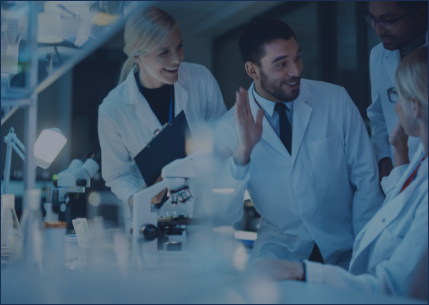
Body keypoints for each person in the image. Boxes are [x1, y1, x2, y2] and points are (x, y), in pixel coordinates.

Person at [205, 18, 384, 269]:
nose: (296, 70)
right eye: (281, 64)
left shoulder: (335, 100)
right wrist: (241, 156)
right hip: (280, 249)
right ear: (253, 70)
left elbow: (366, 180)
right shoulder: (228, 127)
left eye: (297, 57)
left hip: (346, 245)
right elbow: (223, 214)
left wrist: (366, 251)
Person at [255, 46, 428, 299]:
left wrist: (301, 272)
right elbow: (403, 200)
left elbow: (393, 286)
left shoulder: (334, 98)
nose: (393, 107)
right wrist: (400, 152)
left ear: (414, 107)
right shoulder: (421, 157)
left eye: (396, 95)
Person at [98, 7, 226, 230]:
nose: (177, 59)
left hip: (203, 216)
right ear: (137, 56)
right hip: (151, 221)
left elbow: (224, 139)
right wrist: (141, 197)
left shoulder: (201, 79)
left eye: (179, 46)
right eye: (164, 52)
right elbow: (117, 175)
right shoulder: (113, 109)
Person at [366, 1, 427, 185]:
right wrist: (384, 157)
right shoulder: (378, 55)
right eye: (373, 20)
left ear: (422, 14)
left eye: (387, 20)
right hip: (400, 165)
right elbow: (378, 115)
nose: (378, 31)